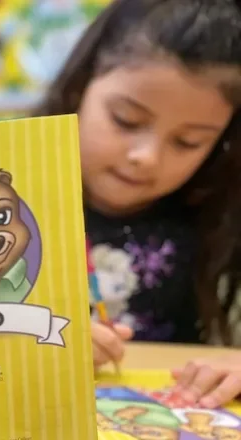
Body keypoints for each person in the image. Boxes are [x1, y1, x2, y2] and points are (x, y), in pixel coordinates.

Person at [34, 0, 241, 408]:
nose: (146, 156)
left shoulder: (221, 215)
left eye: (188, 142)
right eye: (125, 120)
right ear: (79, 88)